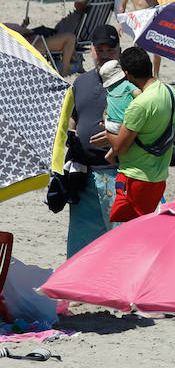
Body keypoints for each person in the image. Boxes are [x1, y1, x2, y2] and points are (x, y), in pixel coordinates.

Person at [105, 47, 175, 223]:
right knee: (143, 231)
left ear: (127, 74)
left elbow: (119, 147)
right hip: (159, 179)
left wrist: (107, 129)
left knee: (127, 236)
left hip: (134, 178)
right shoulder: (170, 92)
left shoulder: (139, 105)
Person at [65, 25, 122, 256]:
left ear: (119, 50)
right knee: (83, 250)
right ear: (91, 51)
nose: (105, 54)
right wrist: (72, 134)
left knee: (121, 245)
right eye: (100, 49)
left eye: (110, 49)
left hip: (118, 174)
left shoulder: (130, 83)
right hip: (84, 177)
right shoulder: (81, 82)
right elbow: (73, 117)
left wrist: (116, 139)